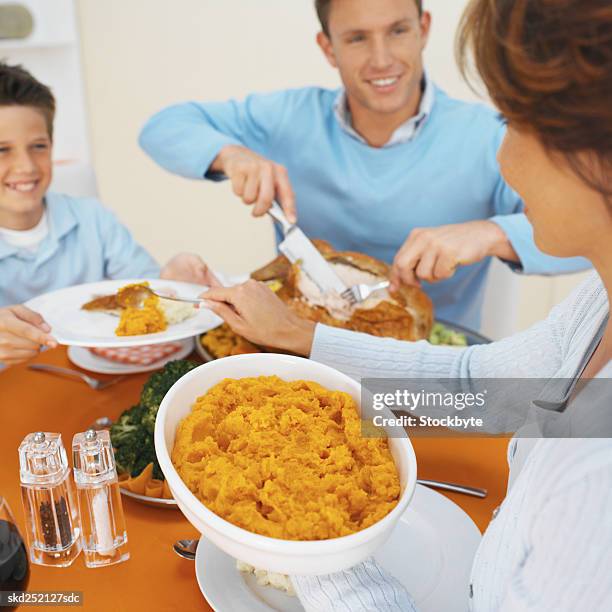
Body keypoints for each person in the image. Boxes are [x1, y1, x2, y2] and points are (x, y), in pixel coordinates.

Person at [200, 0, 612, 608]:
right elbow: (478, 389)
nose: (501, 158)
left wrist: (317, 537)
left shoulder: (593, 476)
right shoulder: (595, 305)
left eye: (515, 122)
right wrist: (299, 336)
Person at [139, 0, 588, 331]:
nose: (381, 60)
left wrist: (492, 233)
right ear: (328, 47)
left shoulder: (489, 136)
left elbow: (583, 227)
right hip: (298, 352)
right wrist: (231, 155)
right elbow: (162, 126)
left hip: (428, 376)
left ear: (423, 28)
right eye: (357, 38)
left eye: (397, 31)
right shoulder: (288, 119)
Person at [0, 62, 216, 367]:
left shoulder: (93, 219)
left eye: (38, 146)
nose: (26, 166)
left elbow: (144, 290)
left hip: (95, 380)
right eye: (2, 150)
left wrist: (171, 281)